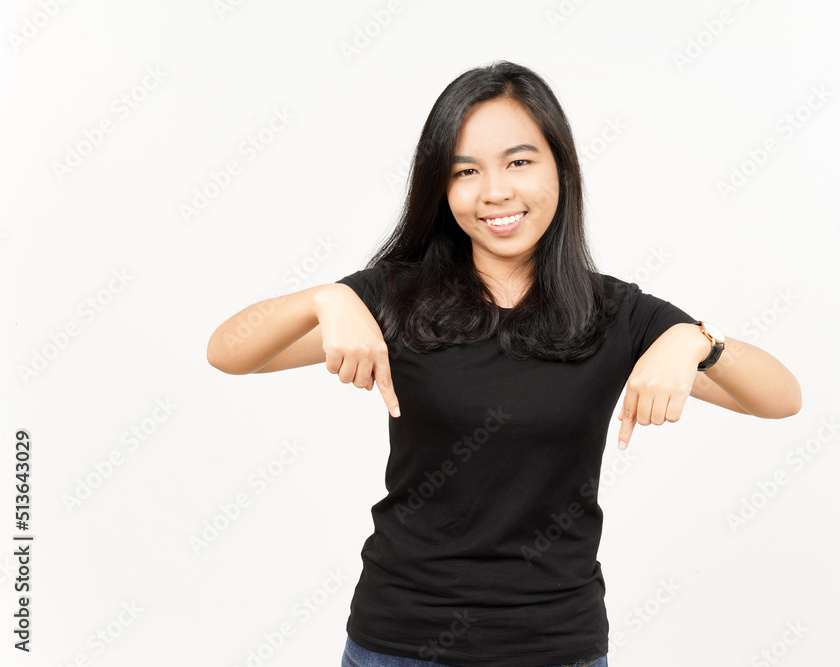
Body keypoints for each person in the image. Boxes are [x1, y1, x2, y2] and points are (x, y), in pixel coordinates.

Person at [206, 60, 801, 667]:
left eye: (519, 162)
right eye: (466, 171)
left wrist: (698, 340)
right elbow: (229, 352)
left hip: (555, 646)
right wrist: (322, 297)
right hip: (401, 643)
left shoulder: (615, 314)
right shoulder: (395, 299)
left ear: (561, 170)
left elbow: (781, 398)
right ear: (441, 189)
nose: (495, 191)